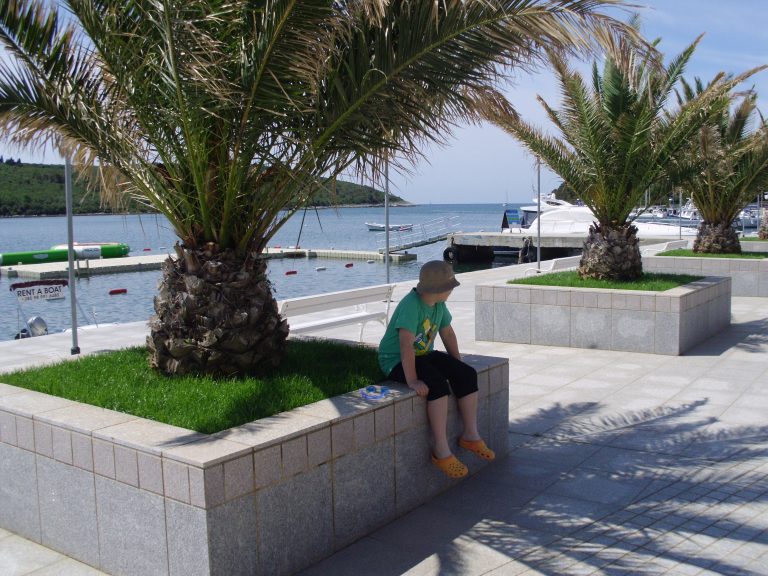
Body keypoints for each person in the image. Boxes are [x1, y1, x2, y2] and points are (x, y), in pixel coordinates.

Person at [378, 260, 495, 478]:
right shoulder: (411, 306)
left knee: (466, 374)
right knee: (437, 384)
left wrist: (457, 365)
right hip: (395, 360)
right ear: (438, 289)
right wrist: (412, 380)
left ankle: (470, 435)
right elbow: (405, 345)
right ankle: (441, 450)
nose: (452, 289)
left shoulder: (438, 305)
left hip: (423, 354)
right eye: (450, 286)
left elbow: (448, 334)